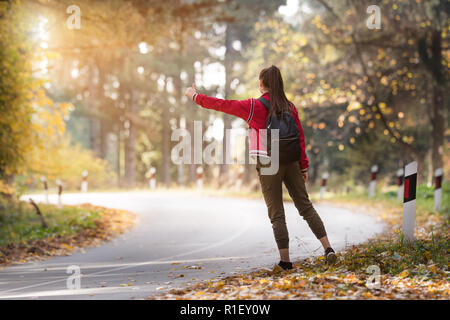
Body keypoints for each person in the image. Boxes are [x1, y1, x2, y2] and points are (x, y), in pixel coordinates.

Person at [184, 65, 336, 270]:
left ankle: (285, 262)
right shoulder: (290, 107)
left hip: (267, 161)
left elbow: (222, 104)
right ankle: (328, 249)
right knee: (305, 206)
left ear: (261, 84)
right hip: (291, 161)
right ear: (279, 84)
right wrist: (303, 166)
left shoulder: (254, 106)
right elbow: (300, 138)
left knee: (277, 213)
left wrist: (195, 96)